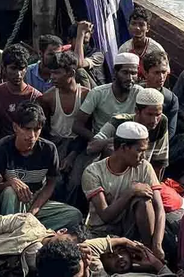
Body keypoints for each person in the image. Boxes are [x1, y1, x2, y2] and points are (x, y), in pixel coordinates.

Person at [0, 101, 83, 230]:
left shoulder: (48, 149)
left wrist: (33, 211)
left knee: (74, 215)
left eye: (36, 129)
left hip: (35, 201)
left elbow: (51, 183)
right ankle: (11, 232)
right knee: (10, 193)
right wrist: (11, 183)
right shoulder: (2, 148)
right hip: (11, 203)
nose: (32, 135)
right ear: (15, 127)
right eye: (27, 129)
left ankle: (29, 229)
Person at [81, 122, 166, 259]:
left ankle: (148, 251)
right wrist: (130, 192)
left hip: (131, 229)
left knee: (143, 201)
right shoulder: (93, 172)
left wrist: (157, 245)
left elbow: (159, 209)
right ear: (123, 148)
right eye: (139, 151)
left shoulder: (144, 167)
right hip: (102, 232)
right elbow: (106, 216)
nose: (143, 156)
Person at [0, 213, 89, 277]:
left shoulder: (52, 264)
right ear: (61, 231)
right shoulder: (28, 222)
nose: (67, 248)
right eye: (68, 242)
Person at [37, 51, 90, 206]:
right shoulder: (48, 98)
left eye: (57, 73)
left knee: (76, 181)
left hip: (80, 144)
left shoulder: (86, 95)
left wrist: (72, 155)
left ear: (71, 73)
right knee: (56, 181)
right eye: (51, 72)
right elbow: (44, 130)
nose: (52, 77)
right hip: (56, 143)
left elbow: (87, 129)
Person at [89, 88, 169, 179]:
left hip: (141, 177)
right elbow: (92, 146)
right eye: (149, 115)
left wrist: (155, 187)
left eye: (158, 115)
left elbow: (159, 162)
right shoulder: (119, 121)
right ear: (137, 111)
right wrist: (120, 141)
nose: (154, 120)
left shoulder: (162, 123)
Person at [73, 52, 143, 141]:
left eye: (134, 73)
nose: (130, 78)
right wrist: (96, 140)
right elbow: (77, 125)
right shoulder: (98, 93)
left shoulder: (140, 93)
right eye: (125, 72)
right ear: (115, 72)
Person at [0, 44, 42, 141]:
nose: (18, 74)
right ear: (4, 68)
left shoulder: (35, 97)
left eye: (21, 68)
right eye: (13, 68)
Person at [118, 6, 165, 80]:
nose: (137, 28)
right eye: (133, 24)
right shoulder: (124, 49)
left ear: (148, 28)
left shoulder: (156, 49)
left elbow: (164, 74)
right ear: (129, 27)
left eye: (141, 25)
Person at [142, 51, 179, 140]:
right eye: (156, 72)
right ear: (146, 74)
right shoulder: (136, 91)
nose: (161, 77)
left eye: (164, 72)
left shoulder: (171, 99)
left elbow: (170, 131)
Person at [68, 21, 107, 86]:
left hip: (95, 91)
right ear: (69, 40)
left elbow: (79, 63)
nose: (82, 45)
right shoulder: (67, 53)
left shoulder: (98, 55)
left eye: (85, 43)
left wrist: (81, 33)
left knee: (79, 70)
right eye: (80, 42)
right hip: (74, 90)